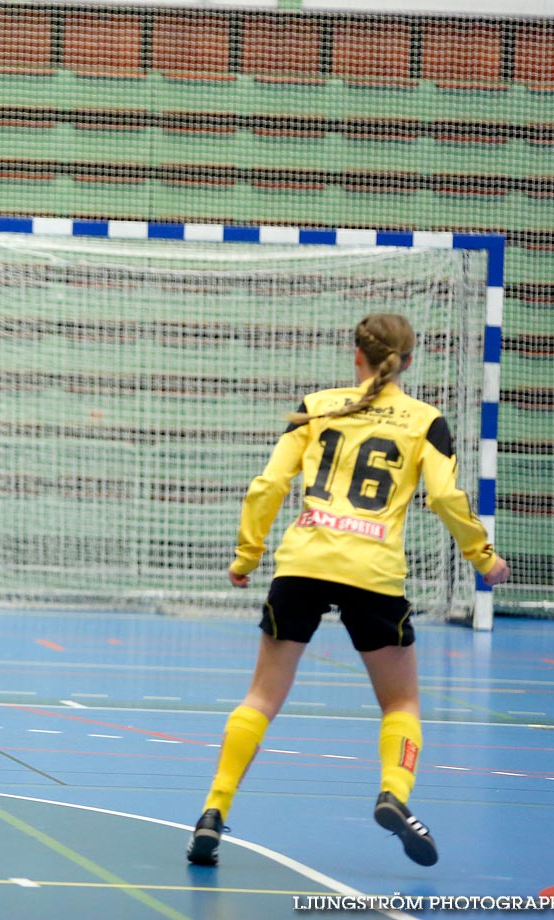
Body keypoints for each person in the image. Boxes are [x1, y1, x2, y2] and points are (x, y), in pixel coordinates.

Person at [186, 313, 510, 868]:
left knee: (261, 697)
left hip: (304, 561)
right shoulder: (425, 420)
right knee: (401, 701)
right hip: (374, 572)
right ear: (409, 362)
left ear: (354, 355)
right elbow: (447, 499)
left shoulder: (316, 407)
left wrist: (247, 554)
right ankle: (394, 794)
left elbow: (268, 484)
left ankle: (213, 812)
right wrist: (483, 556)